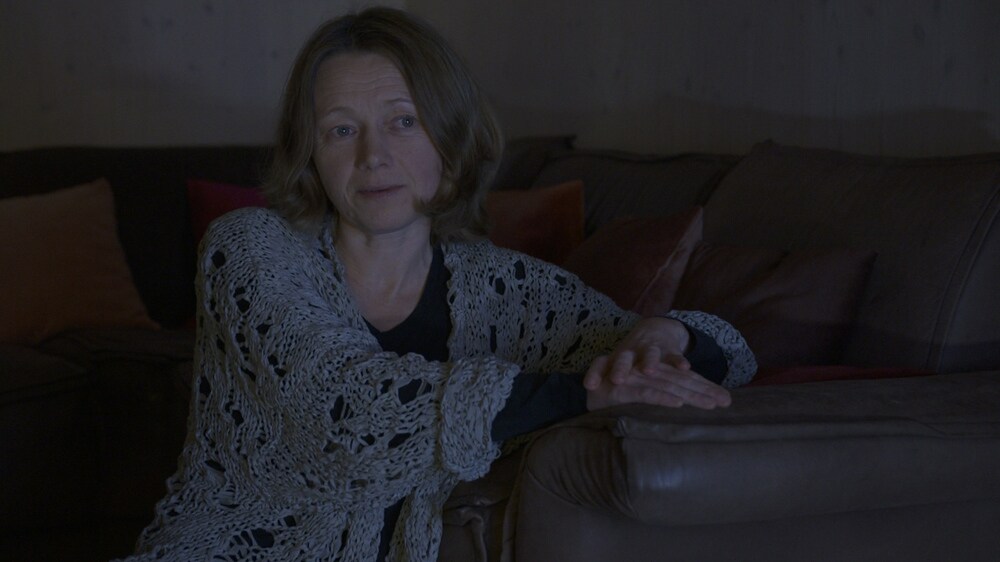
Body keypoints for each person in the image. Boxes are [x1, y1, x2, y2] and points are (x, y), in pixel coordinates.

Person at [122, 7, 755, 561]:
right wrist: (588, 394)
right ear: (309, 152)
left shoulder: (509, 290)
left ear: (450, 140)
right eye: (341, 129)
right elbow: (346, 413)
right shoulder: (249, 248)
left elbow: (730, 354)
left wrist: (660, 334)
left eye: (403, 121)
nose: (373, 155)